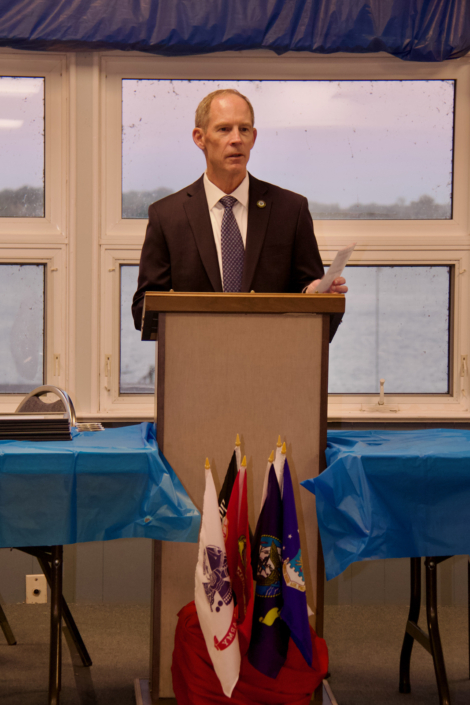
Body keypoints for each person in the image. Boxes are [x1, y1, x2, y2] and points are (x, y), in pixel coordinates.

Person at [132, 89, 347, 337]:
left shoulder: (290, 210)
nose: (237, 139)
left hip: (273, 362)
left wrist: (315, 294)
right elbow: (142, 310)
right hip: (196, 364)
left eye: (244, 130)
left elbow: (308, 291)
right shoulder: (167, 216)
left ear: (253, 137)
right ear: (199, 137)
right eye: (224, 129)